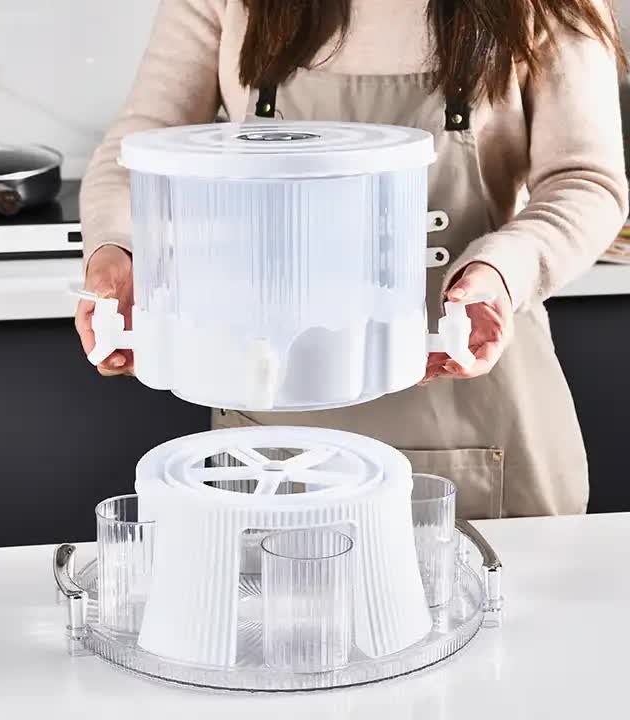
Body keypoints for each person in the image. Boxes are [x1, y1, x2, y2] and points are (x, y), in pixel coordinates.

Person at [76, 0, 628, 519]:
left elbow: (586, 181)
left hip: (476, 404)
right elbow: (134, 152)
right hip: (271, 423)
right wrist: (117, 249)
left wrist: (502, 271)